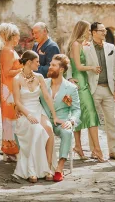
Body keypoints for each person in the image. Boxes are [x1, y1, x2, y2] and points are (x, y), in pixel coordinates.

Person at [13, 50, 60, 182]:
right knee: (37, 129)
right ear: (28, 62)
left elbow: (47, 96)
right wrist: (28, 115)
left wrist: (54, 116)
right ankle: (31, 170)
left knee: (48, 129)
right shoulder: (16, 79)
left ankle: (48, 168)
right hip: (24, 113)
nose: (39, 64)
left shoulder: (39, 77)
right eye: (37, 61)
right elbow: (17, 102)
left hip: (38, 110)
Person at [84, 21, 115, 161]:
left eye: (104, 30)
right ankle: (94, 150)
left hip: (108, 89)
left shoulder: (110, 47)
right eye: (101, 30)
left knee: (111, 121)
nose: (104, 33)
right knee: (93, 122)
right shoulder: (86, 48)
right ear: (93, 32)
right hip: (93, 89)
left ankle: (113, 151)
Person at [65, 20, 104, 162]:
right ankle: (97, 150)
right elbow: (79, 66)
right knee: (91, 114)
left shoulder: (81, 44)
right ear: (82, 30)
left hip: (83, 82)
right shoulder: (75, 44)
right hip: (79, 83)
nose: (89, 33)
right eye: (88, 30)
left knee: (79, 114)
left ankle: (79, 147)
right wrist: (92, 68)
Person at [40, 54, 81, 182]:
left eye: (53, 65)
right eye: (50, 64)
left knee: (67, 131)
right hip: (44, 121)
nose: (49, 67)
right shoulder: (43, 84)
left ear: (62, 69)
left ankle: (60, 167)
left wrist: (71, 121)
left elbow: (76, 109)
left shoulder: (71, 88)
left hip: (61, 122)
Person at [0, 22, 22, 161]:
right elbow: (7, 72)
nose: (18, 39)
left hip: (12, 88)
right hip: (9, 90)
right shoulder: (8, 51)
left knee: (13, 119)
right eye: (17, 36)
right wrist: (23, 69)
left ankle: (11, 149)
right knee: (10, 119)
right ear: (12, 37)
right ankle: (10, 150)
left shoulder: (10, 50)